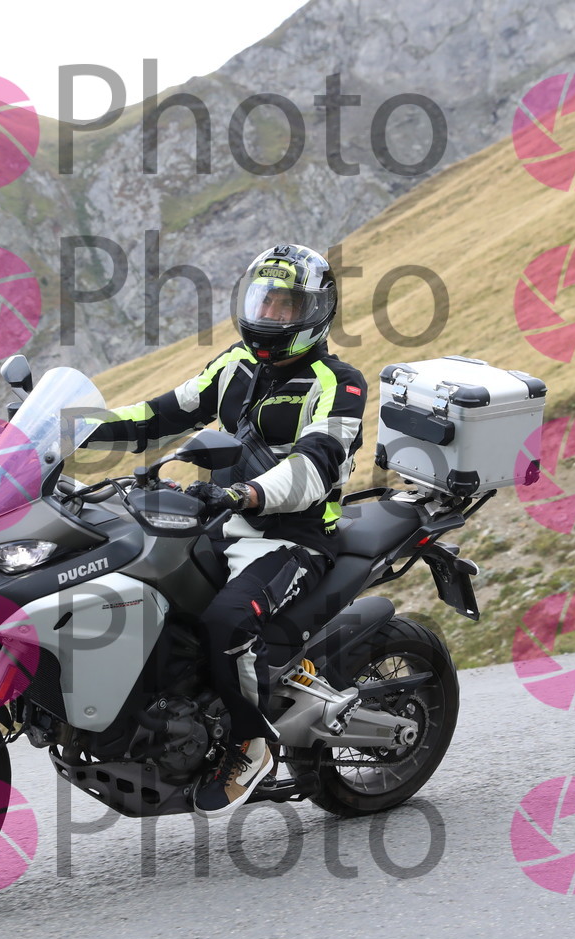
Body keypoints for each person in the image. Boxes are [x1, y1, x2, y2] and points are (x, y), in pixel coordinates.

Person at [84, 243, 366, 816]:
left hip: (295, 538)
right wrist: (69, 430)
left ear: (315, 313)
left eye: (286, 306)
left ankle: (250, 744)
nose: (271, 315)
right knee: (147, 588)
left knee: (225, 624)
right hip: (224, 520)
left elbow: (315, 464)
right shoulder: (236, 365)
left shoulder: (338, 382)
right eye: (264, 302)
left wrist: (249, 492)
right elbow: (159, 415)